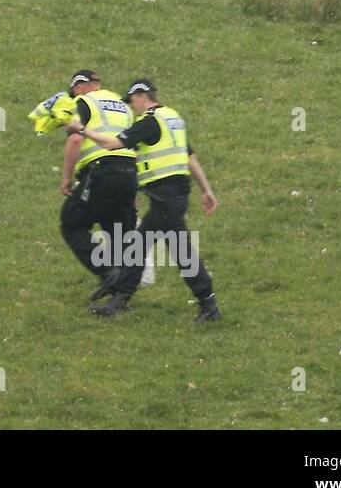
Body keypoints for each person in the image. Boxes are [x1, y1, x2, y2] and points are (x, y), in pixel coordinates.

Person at [69, 78, 222, 321]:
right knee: (164, 249)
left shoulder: (149, 122)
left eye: (133, 101)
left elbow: (112, 144)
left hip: (165, 199)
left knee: (170, 251)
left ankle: (205, 303)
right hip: (176, 195)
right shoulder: (173, 118)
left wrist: (81, 129)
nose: (133, 107)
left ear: (141, 95)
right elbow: (189, 156)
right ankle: (205, 304)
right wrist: (206, 189)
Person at [57, 69, 142, 311]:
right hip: (128, 174)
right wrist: (135, 192)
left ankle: (107, 274)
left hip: (101, 173)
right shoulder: (124, 108)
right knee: (119, 234)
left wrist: (66, 178)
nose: (73, 94)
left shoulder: (84, 102)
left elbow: (74, 139)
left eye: (73, 90)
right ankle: (119, 299)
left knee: (71, 223)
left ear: (81, 86)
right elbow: (133, 145)